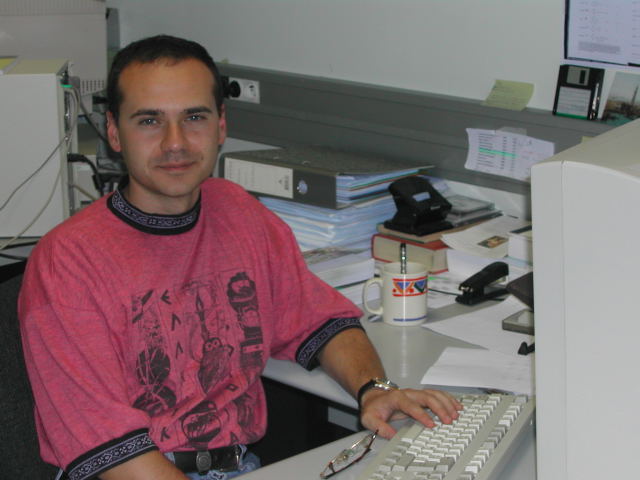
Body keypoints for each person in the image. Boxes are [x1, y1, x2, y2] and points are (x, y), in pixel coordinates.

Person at [18, 35, 461, 480]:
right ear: (114, 132)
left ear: (221, 126)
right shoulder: (69, 260)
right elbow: (109, 450)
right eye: (150, 121)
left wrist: (375, 389)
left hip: (239, 465)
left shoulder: (237, 212)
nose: (175, 142)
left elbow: (318, 322)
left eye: (194, 117)